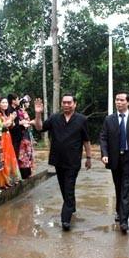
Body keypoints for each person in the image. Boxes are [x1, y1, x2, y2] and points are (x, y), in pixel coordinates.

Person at [34, 94, 92, 231]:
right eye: (64, 102)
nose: (66, 105)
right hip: (58, 160)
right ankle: (71, 205)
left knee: (69, 187)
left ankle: (65, 220)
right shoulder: (55, 118)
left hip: (73, 161)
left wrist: (89, 157)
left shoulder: (82, 120)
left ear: (75, 104)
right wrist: (37, 114)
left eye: (69, 103)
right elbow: (39, 127)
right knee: (63, 187)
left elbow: (86, 140)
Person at [100, 91, 129, 234]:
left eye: (121, 100)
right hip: (114, 159)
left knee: (126, 189)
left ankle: (124, 221)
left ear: (128, 102)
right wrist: (105, 154)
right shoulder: (109, 119)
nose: (118, 102)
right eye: (116, 100)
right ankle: (119, 211)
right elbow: (103, 137)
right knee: (118, 187)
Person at [0, 97, 21, 188]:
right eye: (3, 102)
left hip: (8, 137)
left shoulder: (5, 114)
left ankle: (11, 179)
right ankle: (4, 181)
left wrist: (11, 120)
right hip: (2, 137)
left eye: (6, 102)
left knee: (10, 157)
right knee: (4, 158)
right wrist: (11, 119)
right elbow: (4, 125)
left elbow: (11, 125)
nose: (5, 104)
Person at [17, 95, 35, 179]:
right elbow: (23, 123)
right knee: (24, 153)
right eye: (27, 102)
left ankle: (28, 171)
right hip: (23, 135)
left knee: (28, 152)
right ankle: (24, 172)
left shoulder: (24, 112)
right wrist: (30, 122)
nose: (28, 104)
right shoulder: (20, 112)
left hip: (27, 134)